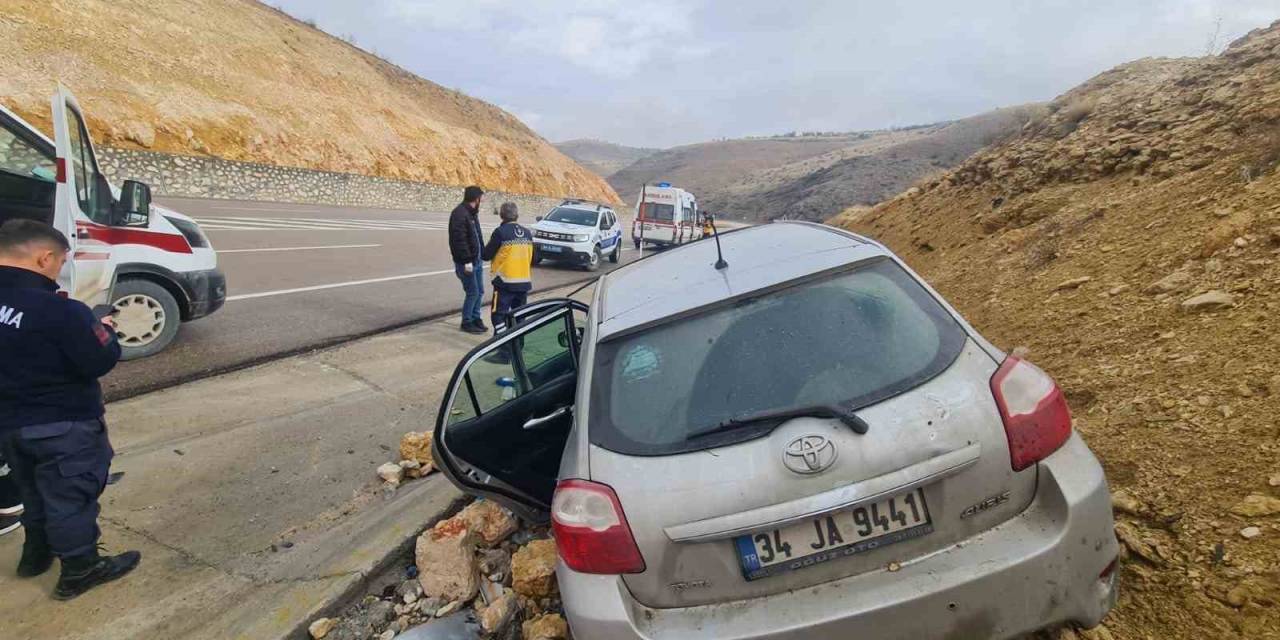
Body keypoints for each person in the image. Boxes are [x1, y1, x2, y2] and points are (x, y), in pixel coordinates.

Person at [0, 219, 140, 600]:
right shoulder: (63, 311)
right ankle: (80, 570)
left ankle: (35, 556)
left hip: (10, 425)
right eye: (61, 261)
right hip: (62, 427)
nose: (60, 269)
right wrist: (103, 330)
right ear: (44, 258)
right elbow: (98, 360)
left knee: (32, 491)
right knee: (70, 500)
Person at [481, 202, 533, 333]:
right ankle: (517, 342)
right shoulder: (527, 233)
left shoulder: (500, 232)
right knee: (520, 316)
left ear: (501, 215)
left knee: (498, 316)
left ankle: (502, 341)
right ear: (517, 215)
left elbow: (486, 255)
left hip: (504, 282)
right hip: (524, 282)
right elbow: (532, 257)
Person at [448, 186, 487, 334]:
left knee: (480, 291)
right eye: (481, 198)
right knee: (473, 292)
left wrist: (483, 252)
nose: (482, 200)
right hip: (467, 262)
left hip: (476, 260)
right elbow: (459, 240)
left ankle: (476, 318)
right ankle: (467, 321)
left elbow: (477, 236)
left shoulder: (472, 213)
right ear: (476, 198)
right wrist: (466, 261)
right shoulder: (459, 214)